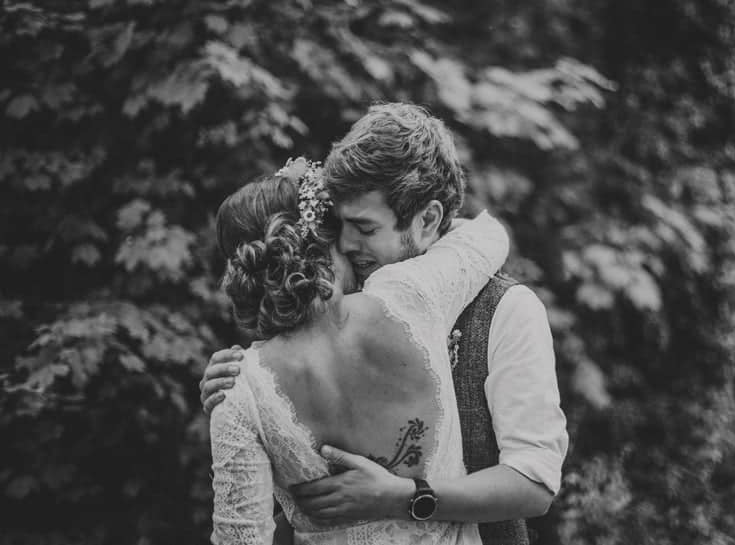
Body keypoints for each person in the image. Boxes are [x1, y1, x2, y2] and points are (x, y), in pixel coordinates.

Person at [202, 103, 568, 545]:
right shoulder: (341, 306)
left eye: (364, 227)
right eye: (338, 225)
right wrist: (241, 394)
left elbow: (535, 484)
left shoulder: (508, 310)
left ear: (428, 220)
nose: (345, 243)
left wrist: (402, 497)